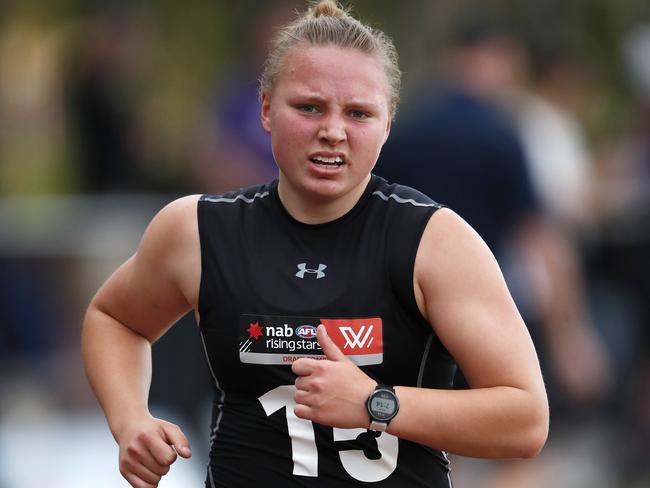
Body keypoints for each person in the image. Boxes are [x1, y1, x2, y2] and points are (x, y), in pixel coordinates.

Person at [81, 2, 549, 487]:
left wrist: (375, 403)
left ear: (387, 125)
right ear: (266, 109)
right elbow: (114, 318)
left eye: (359, 113)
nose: (332, 131)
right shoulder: (198, 230)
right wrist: (129, 418)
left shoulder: (434, 241)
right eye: (309, 107)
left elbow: (526, 419)